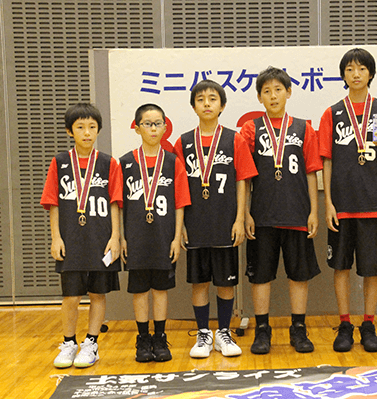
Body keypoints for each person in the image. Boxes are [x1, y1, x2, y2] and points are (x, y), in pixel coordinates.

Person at [318, 48, 377, 353]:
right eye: (350, 69)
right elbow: (326, 160)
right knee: (341, 267)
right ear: (343, 75)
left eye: (362, 69)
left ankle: (369, 324)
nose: (356, 74)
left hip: (372, 202)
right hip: (342, 203)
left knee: (371, 268)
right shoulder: (332, 113)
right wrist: (328, 203)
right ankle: (345, 325)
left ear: (371, 73)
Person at [240, 66, 322, 355]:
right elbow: (244, 177)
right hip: (262, 215)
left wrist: (314, 211)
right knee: (260, 275)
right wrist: (245, 212)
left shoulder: (304, 128)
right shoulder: (251, 129)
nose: (273, 96)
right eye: (266, 91)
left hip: (297, 213)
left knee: (299, 275)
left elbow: (311, 172)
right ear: (259, 97)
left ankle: (298, 329)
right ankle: (262, 330)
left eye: (278, 90)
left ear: (288, 92)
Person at [174, 80, 258, 358]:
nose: (207, 103)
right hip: (195, 222)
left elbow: (243, 181)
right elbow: (177, 187)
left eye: (212, 99)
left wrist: (240, 218)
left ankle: (223, 332)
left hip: (225, 221)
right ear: (193, 106)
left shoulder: (234, 139)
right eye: (200, 99)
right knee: (199, 282)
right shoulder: (183, 142)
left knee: (225, 282)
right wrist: (180, 225)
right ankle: (203, 333)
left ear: (222, 106)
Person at [40, 103, 123, 368]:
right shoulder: (60, 162)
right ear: (70, 131)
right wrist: (56, 237)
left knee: (98, 294)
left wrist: (115, 237)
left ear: (98, 130)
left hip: (101, 238)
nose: (87, 132)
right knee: (71, 296)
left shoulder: (109, 163)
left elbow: (115, 202)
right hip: (71, 239)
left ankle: (91, 343)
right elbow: (53, 203)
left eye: (92, 127)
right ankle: (68, 343)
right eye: (80, 127)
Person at [120, 103, 190, 362]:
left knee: (161, 289)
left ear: (164, 127)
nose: (152, 128)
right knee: (139, 290)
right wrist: (122, 238)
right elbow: (119, 205)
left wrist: (176, 236)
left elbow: (180, 202)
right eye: (147, 124)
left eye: (157, 123)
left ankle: (160, 337)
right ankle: (143, 338)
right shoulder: (125, 163)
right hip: (136, 238)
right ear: (137, 128)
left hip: (163, 236)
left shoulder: (172, 162)